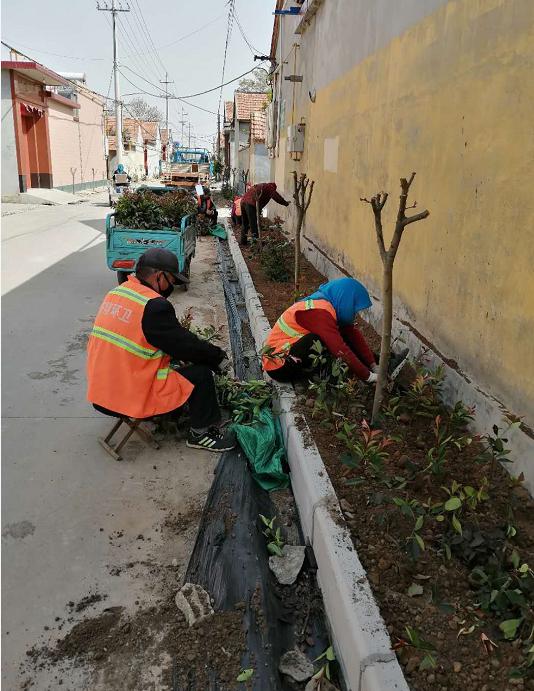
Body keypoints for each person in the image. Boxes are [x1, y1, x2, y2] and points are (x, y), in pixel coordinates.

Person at [87, 248, 235, 452]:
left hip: (101, 393)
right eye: (172, 280)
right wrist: (217, 358)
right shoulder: (153, 306)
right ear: (158, 276)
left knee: (172, 361)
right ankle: (200, 434)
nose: (172, 286)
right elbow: (185, 345)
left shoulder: (117, 293)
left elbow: (149, 340)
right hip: (127, 396)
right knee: (201, 374)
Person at [262, 277, 409, 384]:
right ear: (345, 300)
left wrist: (373, 365)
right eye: (353, 308)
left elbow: (353, 335)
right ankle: (319, 379)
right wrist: (368, 376)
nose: (354, 314)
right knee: (318, 341)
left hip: (291, 358)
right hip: (281, 367)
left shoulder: (328, 307)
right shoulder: (319, 312)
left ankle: (386, 365)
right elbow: (339, 348)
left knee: (343, 336)